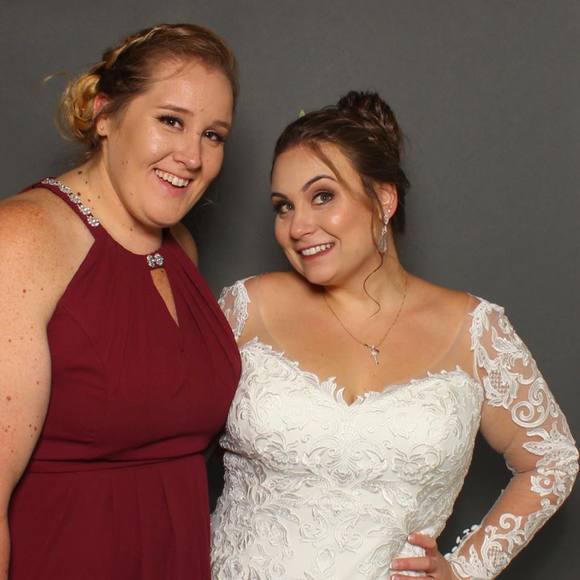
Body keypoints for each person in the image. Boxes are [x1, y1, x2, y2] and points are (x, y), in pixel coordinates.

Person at [211, 91, 578, 579]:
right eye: (283, 206)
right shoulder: (247, 307)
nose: (298, 226)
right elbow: (161, 434)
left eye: (323, 196)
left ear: (383, 199)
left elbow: (553, 460)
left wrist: (465, 570)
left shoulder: (474, 329)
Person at [0, 23, 241, 579]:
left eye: (213, 135)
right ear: (104, 114)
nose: (192, 155)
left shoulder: (179, 246)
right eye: (171, 121)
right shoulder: (24, 239)